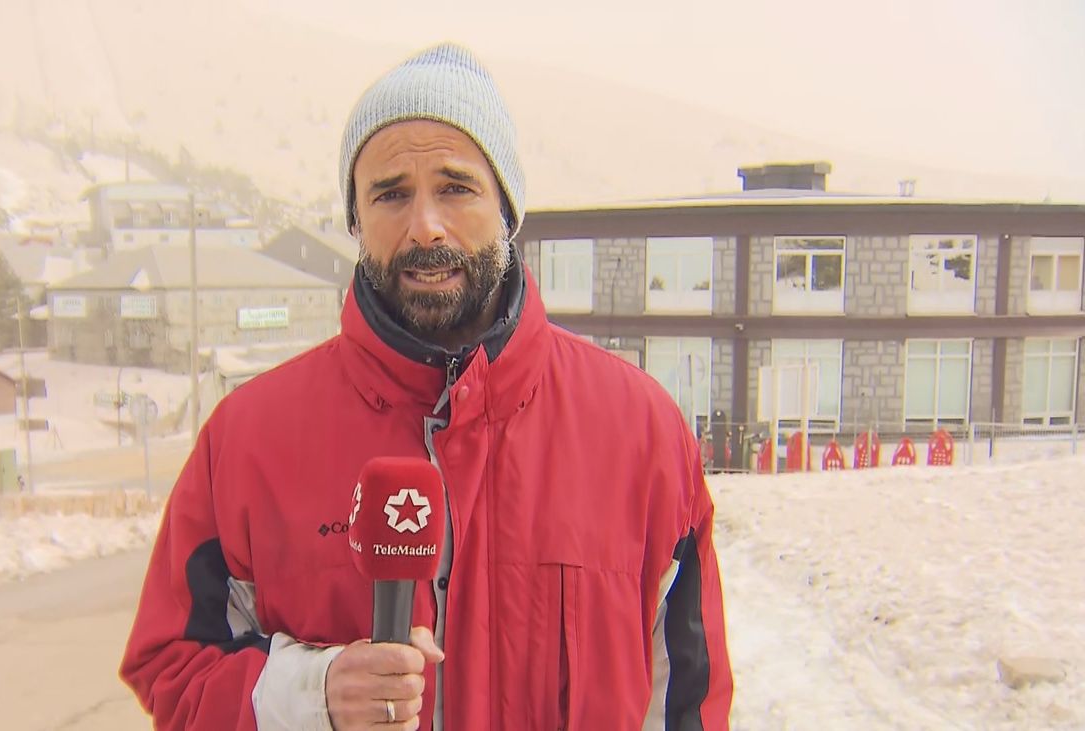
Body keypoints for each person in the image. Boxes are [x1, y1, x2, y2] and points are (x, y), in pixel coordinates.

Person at [120, 42, 733, 730]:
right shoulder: (247, 438)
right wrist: (308, 691)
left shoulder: (639, 431)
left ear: (507, 207)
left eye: (456, 187)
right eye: (390, 194)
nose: (424, 226)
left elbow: (687, 703)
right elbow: (171, 670)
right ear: (356, 222)